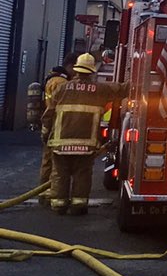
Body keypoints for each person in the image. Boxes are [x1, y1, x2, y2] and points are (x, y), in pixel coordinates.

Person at [48, 53, 127, 215]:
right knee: (82, 174)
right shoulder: (99, 90)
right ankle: (78, 205)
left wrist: (45, 134)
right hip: (86, 145)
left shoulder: (61, 89)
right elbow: (121, 89)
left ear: (76, 70)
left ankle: (59, 205)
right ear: (91, 72)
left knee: (60, 174)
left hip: (60, 143)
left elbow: (49, 114)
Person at [38, 53, 76, 207]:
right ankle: (49, 195)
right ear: (70, 66)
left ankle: (44, 194)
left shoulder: (53, 79)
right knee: (55, 164)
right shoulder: (60, 83)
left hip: (53, 127)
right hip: (56, 128)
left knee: (49, 162)